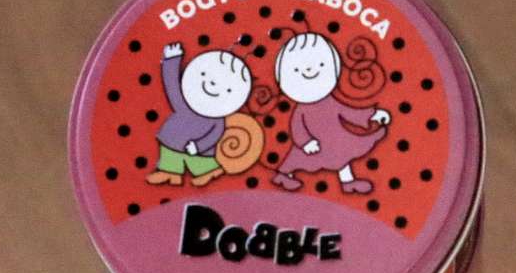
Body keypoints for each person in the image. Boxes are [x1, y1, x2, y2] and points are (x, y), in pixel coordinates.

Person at [271, 33, 390, 194]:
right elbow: (297, 127)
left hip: (334, 139)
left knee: (342, 155)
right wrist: (305, 143)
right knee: (296, 159)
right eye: (296, 70)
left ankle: (348, 182)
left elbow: (349, 112)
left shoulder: (332, 101)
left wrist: (372, 115)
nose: (310, 71)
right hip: (313, 144)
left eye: (321, 64)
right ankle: (284, 175)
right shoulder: (302, 109)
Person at [147, 44, 252, 186]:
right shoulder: (183, 103)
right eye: (203, 74)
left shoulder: (217, 120)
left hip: (198, 150)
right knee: (170, 155)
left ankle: (209, 171)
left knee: (200, 162)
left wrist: (198, 147)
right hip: (173, 140)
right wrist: (172, 59)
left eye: (228, 89)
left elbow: (213, 136)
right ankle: (170, 173)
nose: (212, 85)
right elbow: (172, 85)